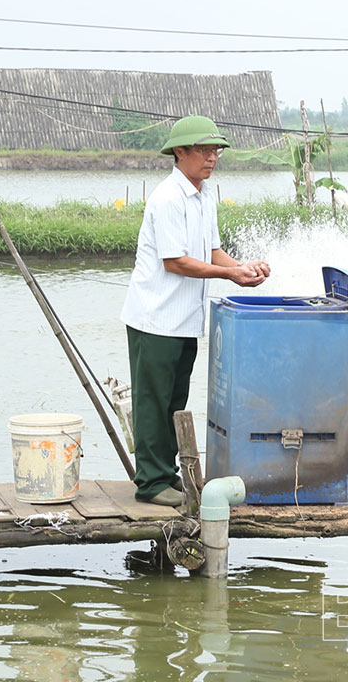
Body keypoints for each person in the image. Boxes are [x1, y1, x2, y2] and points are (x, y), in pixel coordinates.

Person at [120, 115, 271, 506]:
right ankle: (151, 483)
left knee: (174, 400)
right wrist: (229, 275)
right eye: (203, 150)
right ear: (180, 153)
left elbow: (211, 251)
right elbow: (176, 262)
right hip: (155, 318)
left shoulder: (204, 195)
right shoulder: (168, 198)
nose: (212, 157)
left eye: (215, 150)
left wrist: (240, 267)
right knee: (153, 401)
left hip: (184, 319)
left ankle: (165, 475)